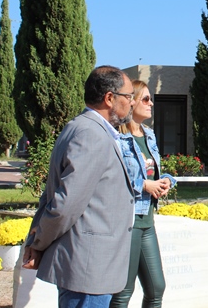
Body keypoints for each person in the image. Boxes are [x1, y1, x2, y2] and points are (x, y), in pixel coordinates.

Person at [22, 65, 137, 308]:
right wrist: (38, 242)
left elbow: (51, 194)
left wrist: (35, 239)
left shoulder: (83, 128)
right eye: (128, 97)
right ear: (109, 98)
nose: (132, 103)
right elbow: (65, 203)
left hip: (91, 267)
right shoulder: (91, 134)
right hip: (87, 269)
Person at [110, 80, 176, 308]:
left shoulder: (149, 135)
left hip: (147, 220)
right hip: (127, 222)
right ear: (132, 101)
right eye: (146, 99)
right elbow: (113, 177)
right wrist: (144, 186)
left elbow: (151, 169)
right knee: (122, 292)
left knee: (156, 288)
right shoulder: (117, 138)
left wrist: (166, 180)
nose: (151, 104)